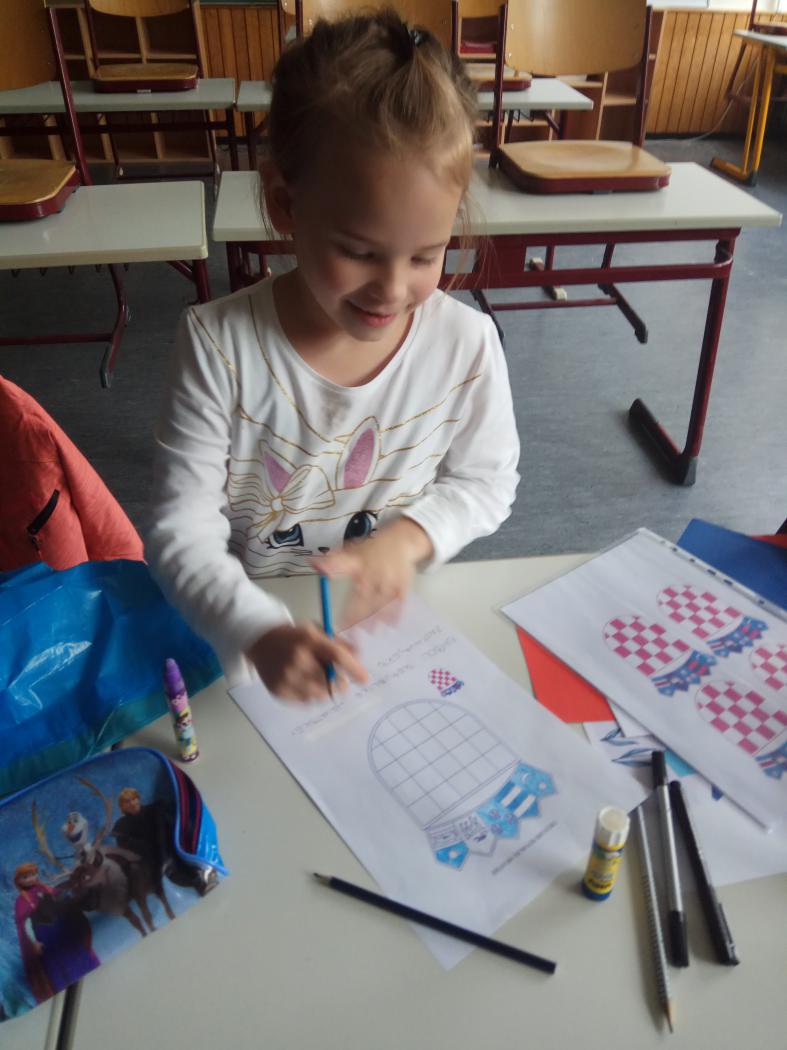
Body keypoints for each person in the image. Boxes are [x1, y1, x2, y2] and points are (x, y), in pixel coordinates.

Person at [146, 10, 520, 701]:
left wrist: (407, 540)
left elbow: (487, 483)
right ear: (285, 205)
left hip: (398, 626)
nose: (393, 289)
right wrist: (255, 629)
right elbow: (179, 531)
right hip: (261, 627)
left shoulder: (466, 345)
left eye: (426, 254)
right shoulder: (219, 346)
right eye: (358, 251)